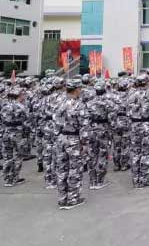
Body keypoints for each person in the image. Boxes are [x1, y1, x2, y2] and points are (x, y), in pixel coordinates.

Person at [54, 79, 89, 209]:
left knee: (62, 169)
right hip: (74, 139)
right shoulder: (79, 105)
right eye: (80, 88)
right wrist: (85, 143)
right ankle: (73, 198)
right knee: (74, 169)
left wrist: (58, 136)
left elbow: (55, 123)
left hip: (61, 138)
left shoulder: (59, 102)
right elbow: (84, 126)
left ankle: (62, 198)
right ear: (77, 89)